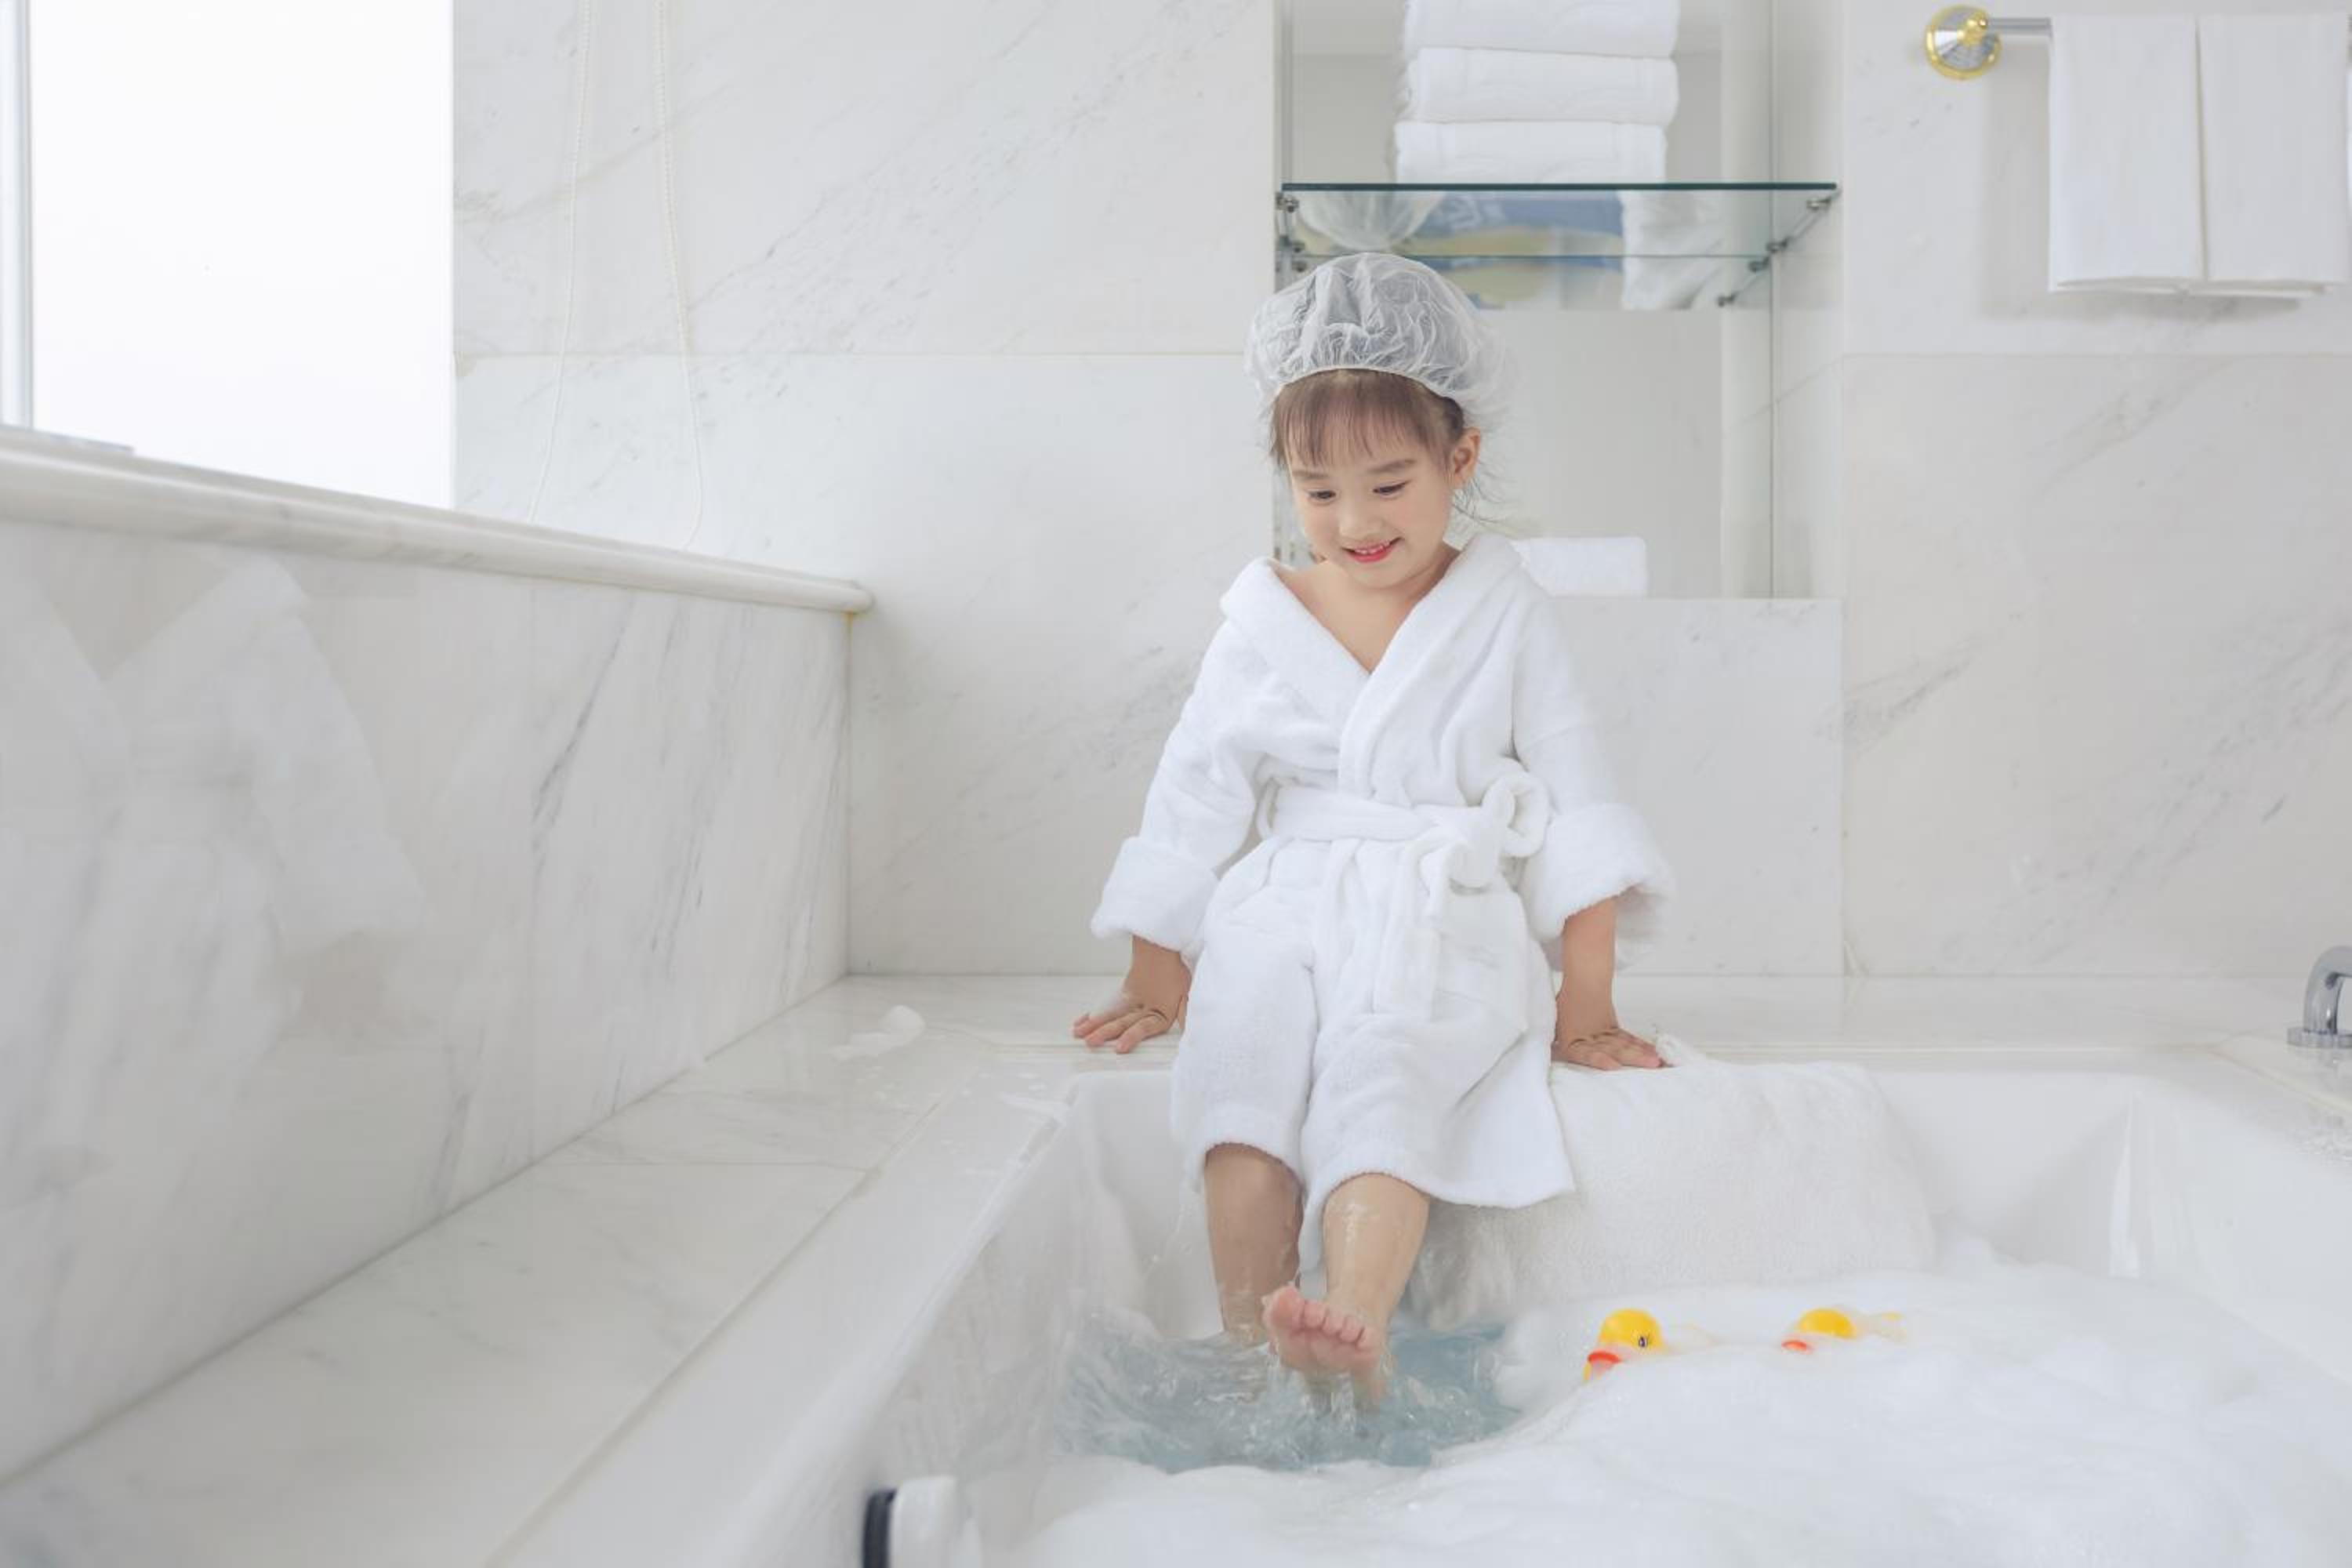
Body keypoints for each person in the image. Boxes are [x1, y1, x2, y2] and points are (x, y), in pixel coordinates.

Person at [1069, 252, 1676, 1409]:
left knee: (1387, 1075)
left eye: (1389, 484)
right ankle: (1254, 1352)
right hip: (1283, 904)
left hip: (1440, 907)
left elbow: (1578, 795)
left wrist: (1589, 998)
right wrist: (1157, 961)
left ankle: (1353, 1320)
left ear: (1462, 459)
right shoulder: (1263, 620)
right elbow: (1195, 792)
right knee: (1242, 1079)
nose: (1353, 522)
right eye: (1317, 491)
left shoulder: (1504, 612)